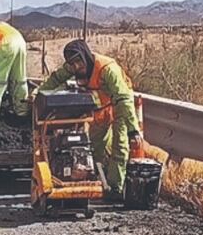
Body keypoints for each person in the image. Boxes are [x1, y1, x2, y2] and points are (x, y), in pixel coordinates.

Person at [38, 40, 142, 199]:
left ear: (86, 56)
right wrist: (38, 95)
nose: (76, 67)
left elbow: (124, 99)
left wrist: (133, 130)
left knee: (120, 147)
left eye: (79, 62)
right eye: (72, 64)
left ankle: (115, 189)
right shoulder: (72, 66)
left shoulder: (108, 69)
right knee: (93, 148)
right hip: (98, 111)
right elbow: (56, 79)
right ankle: (96, 181)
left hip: (118, 107)